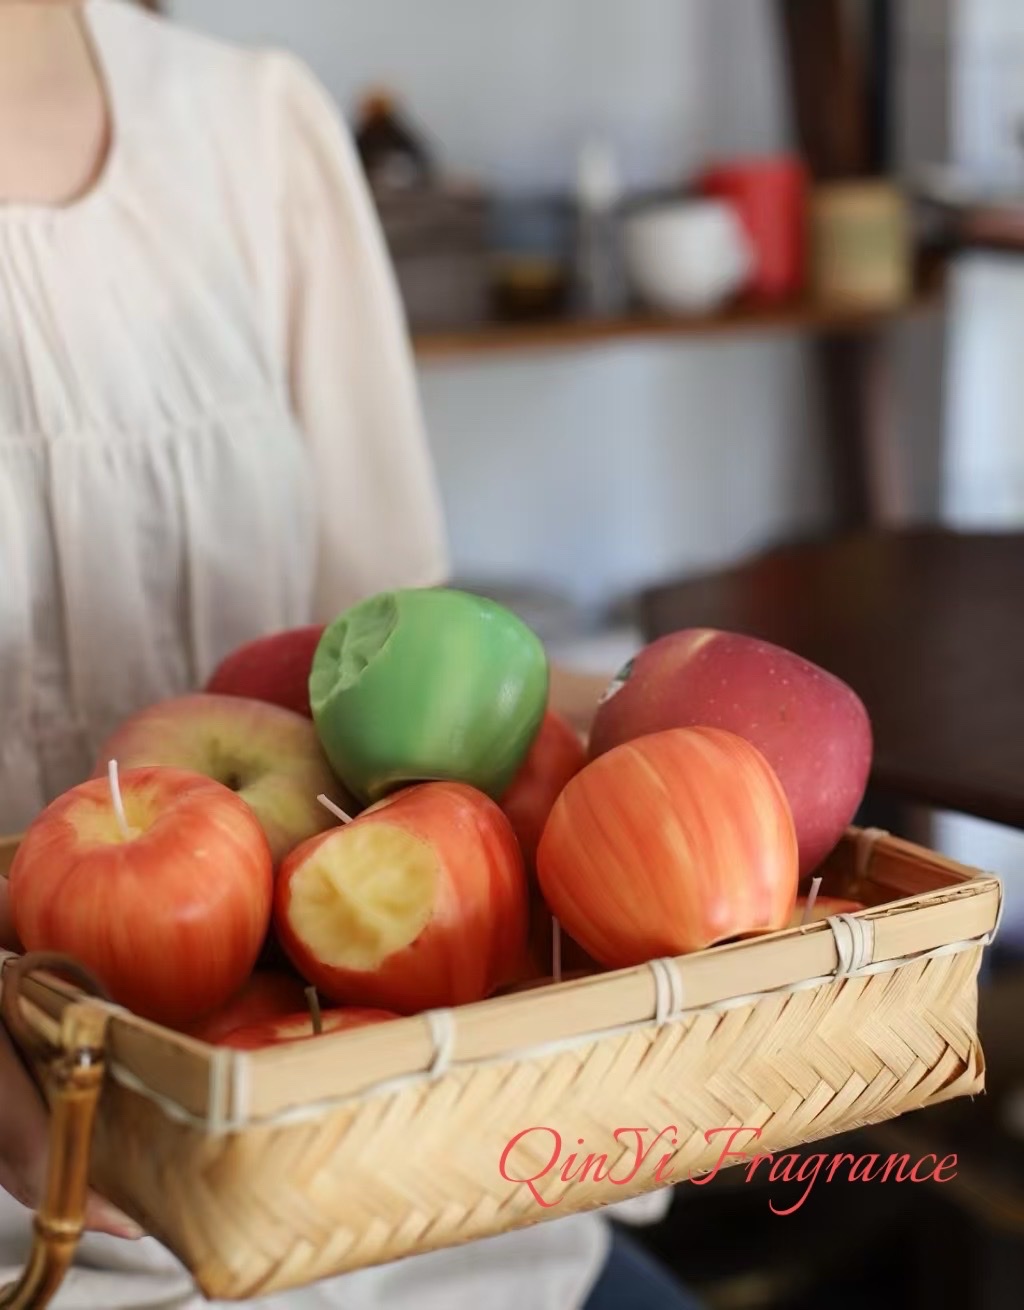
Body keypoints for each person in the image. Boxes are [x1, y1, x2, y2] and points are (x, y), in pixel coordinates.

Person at [0, 3, 702, 1307]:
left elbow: (393, 685)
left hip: (376, 1154)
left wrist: (678, 753)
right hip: (37, 1223)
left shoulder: (255, 133)